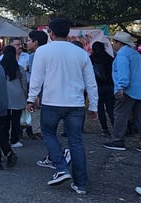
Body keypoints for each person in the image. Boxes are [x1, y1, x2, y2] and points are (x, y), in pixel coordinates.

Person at [27, 18, 98, 194]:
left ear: (50, 32)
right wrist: (94, 106)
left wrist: (31, 98)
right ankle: (81, 183)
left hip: (51, 101)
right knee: (76, 141)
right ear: (68, 32)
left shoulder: (43, 51)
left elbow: (37, 78)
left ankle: (61, 167)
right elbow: (91, 82)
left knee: (49, 133)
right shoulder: (81, 53)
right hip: (75, 103)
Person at [102, 31, 141, 153]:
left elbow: (123, 72)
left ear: (119, 43)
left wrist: (121, 87)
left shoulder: (122, 55)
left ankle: (118, 140)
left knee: (120, 115)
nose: (113, 44)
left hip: (128, 90)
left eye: (114, 42)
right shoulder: (135, 54)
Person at [0, 45, 29, 148]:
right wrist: (25, 96)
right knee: (16, 119)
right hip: (18, 95)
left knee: (5, 119)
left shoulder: (0, 67)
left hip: (3, 95)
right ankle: (14, 140)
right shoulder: (19, 68)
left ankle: (3, 138)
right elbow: (24, 83)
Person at [27, 29, 49, 142]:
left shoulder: (34, 56)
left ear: (35, 42)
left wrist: (34, 95)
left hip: (39, 90)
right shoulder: (49, 53)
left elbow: (35, 76)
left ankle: (39, 131)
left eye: (29, 40)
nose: (27, 43)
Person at [90, 41, 115, 137]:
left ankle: (104, 129)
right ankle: (115, 127)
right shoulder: (109, 58)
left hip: (97, 86)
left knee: (100, 108)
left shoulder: (91, 59)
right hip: (109, 86)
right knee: (111, 108)